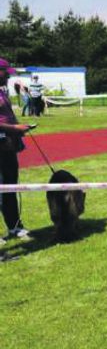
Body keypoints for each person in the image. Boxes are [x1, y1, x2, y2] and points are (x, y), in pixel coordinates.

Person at [0, 59, 32, 241]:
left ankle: (14, 226)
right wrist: (15, 129)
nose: (9, 75)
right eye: (5, 71)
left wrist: (18, 130)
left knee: (11, 187)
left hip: (8, 146)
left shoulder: (3, 92)